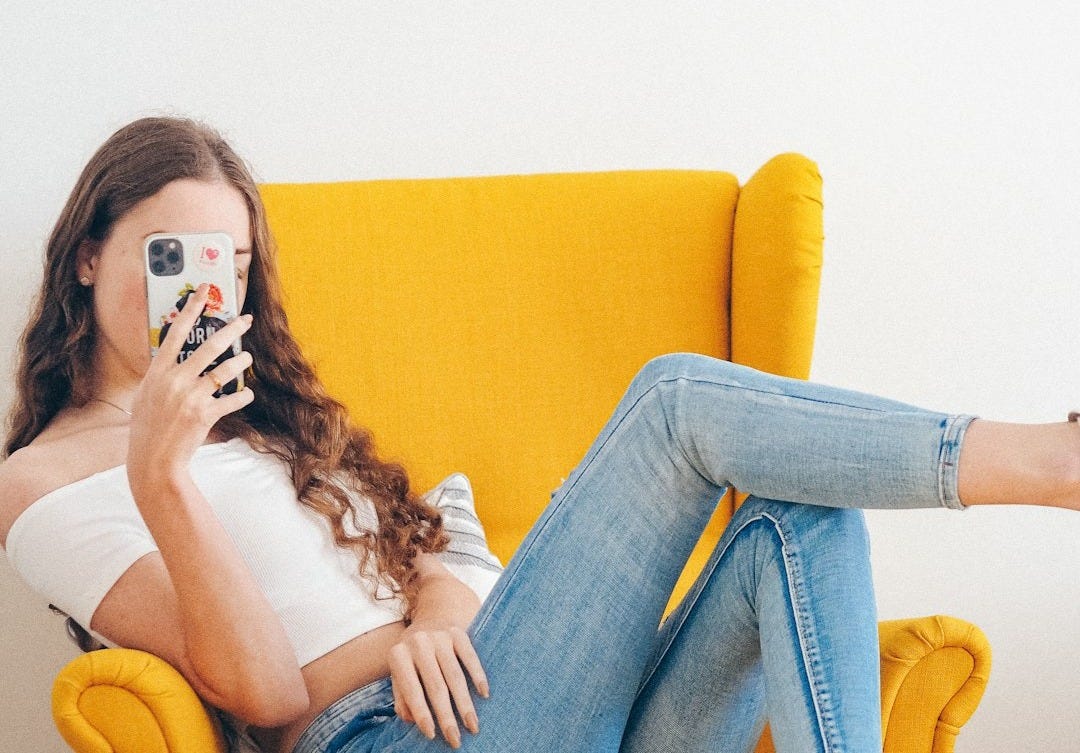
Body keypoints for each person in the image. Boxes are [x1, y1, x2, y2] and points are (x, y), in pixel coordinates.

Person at [1, 116, 1078, 753]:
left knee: (803, 519)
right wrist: (163, 475)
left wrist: (435, 615)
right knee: (670, 403)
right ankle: (1047, 461)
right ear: (88, 255)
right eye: (170, 256)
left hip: (509, 696)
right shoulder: (42, 482)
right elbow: (266, 694)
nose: (204, 292)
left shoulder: (276, 427)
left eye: (228, 263)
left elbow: (449, 539)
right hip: (387, 741)